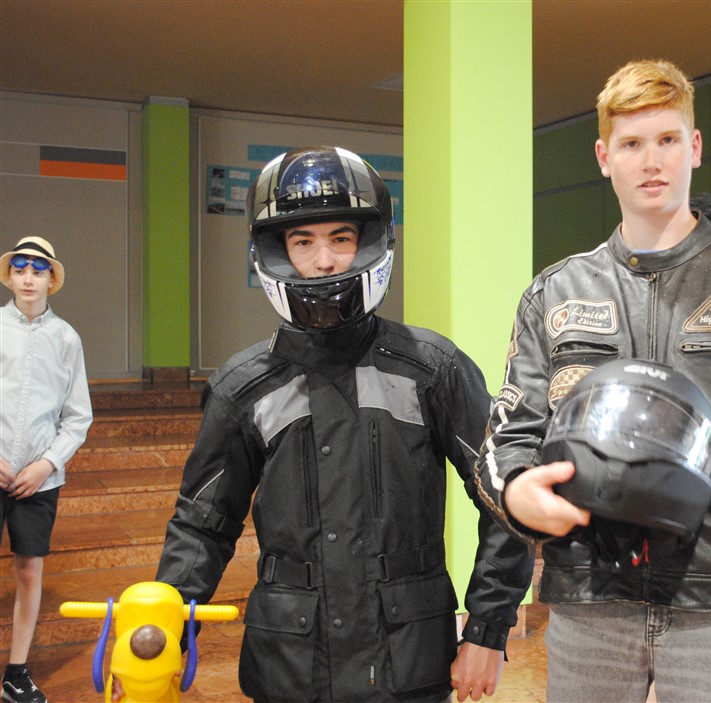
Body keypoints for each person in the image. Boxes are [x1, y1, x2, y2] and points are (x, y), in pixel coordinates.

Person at [474, 59, 711, 702]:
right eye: (631, 144)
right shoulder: (554, 292)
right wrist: (515, 492)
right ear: (604, 158)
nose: (651, 161)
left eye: (668, 139)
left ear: (695, 147)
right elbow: (506, 438)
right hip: (588, 606)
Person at [151, 146, 532, 703]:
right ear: (277, 252)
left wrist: (487, 630)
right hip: (292, 665)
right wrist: (167, 624)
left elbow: (507, 498)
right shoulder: (243, 386)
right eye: (303, 241)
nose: (324, 260)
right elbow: (203, 524)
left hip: (407, 661)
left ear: (371, 242)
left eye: (341, 238)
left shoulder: (432, 369)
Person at [1, 237, 93, 703]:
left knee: (29, 570)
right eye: (20, 269)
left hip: (39, 480)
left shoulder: (66, 339)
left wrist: (46, 464)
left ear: (51, 280)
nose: (29, 278)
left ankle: (16, 673)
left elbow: (78, 416)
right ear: (10, 276)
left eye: (38, 270)